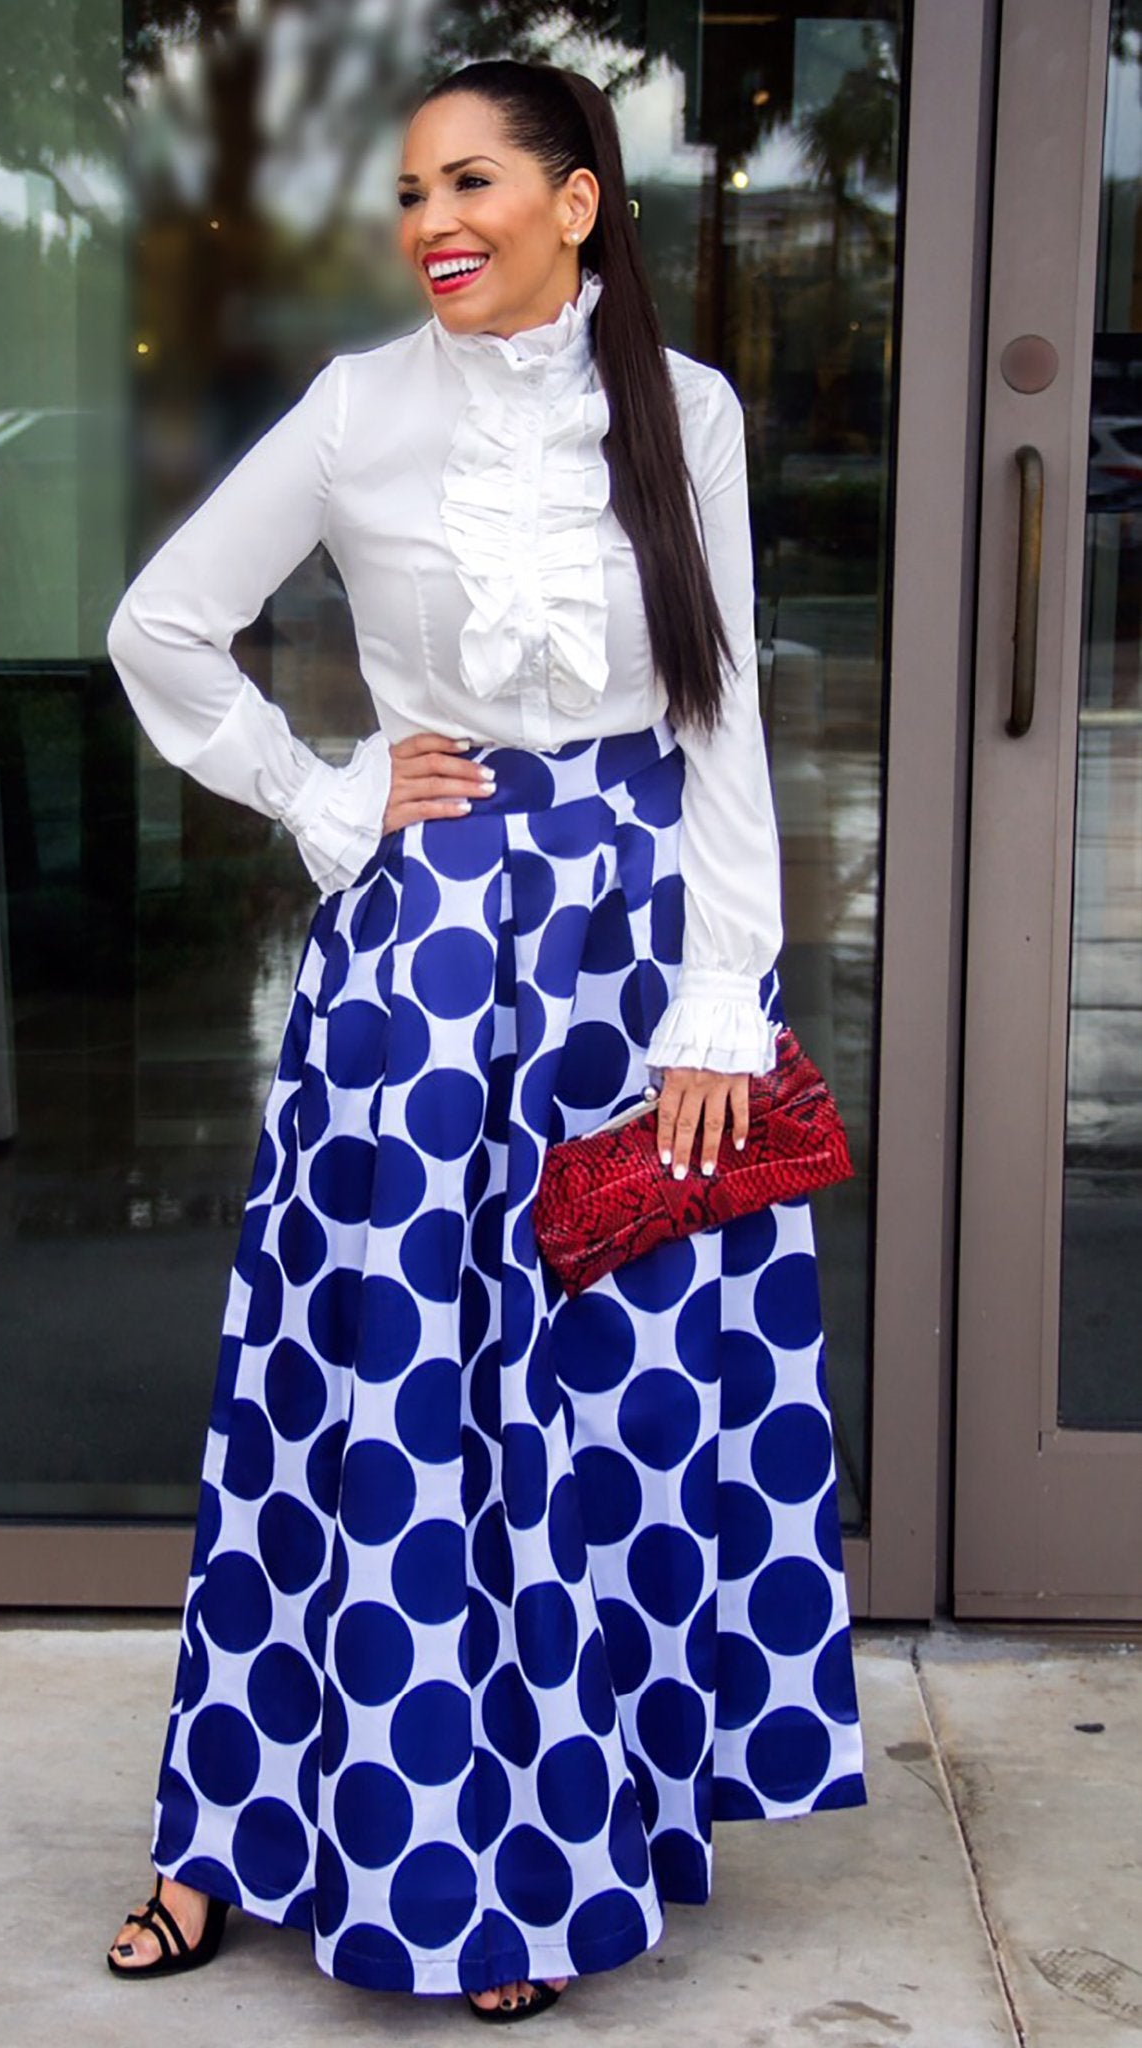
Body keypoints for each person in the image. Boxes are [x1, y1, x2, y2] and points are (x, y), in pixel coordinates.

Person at [103, 55, 866, 2022]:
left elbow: (717, 721)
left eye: (472, 183)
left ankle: (526, 1859)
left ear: (576, 201)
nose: (433, 221)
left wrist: (719, 999)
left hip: (629, 987)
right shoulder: (359, 410)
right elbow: (163, 625)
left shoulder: (677, 411)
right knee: (366, 1406)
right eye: (409, 193)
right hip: (428, 977)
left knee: (583, 1430)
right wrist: (333, 795)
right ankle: (229, 1829)